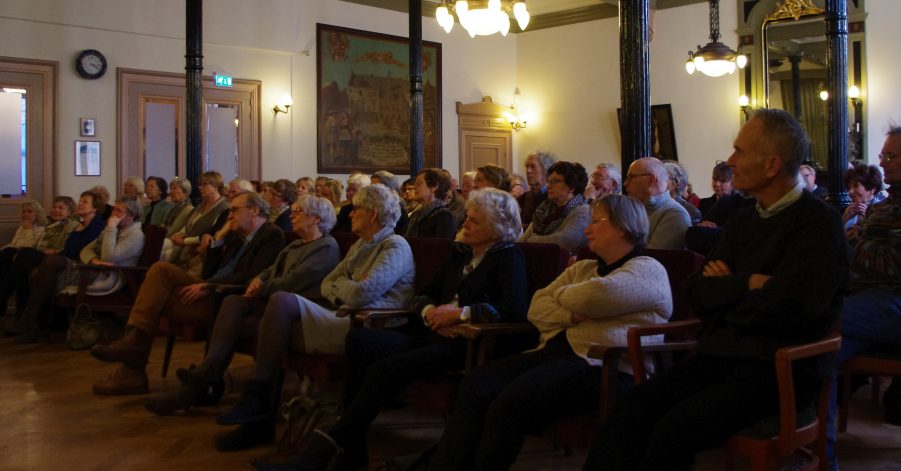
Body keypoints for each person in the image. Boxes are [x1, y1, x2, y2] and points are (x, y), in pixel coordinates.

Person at [585, 108, 850, 471]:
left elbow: (791, 312)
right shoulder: (744, 221)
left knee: (673, 428)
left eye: (740, 151)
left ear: (772, 165)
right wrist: (748, 284)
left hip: (774, 373)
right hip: (719, 358)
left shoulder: (819, 225)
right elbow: (697, 292)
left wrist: (726, 291)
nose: (730, 160)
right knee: (632, 407)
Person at [258, 188, 530, 471]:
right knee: (361, 340)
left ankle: (328, 448)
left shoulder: (509, 257)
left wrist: (461, 315)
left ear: (497, 229)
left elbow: (513, 308)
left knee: (382, 370)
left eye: (474, 221)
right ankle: (352, 448)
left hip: (466, 345)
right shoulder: (460, 253)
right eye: (468, 218)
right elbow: (422, 295)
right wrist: (430, 313)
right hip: (432, 332)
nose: (465, 225)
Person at [428, 194, 672, 471]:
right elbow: (537, 307)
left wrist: (565, 297)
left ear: (622, 227)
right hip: (557, 353)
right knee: (475, 383)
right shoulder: (584, 268)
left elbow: (593, 297)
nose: (587, 229)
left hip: (606, 367)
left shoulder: (648, 269)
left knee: (510, 400)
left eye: (596, 222)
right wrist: (571, 312)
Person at [214, 184, 415, 451]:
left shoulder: (395, 246)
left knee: (281, 304)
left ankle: (259, 411)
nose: (350, 214)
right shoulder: (360, 245)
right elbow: (328, 284)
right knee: (276, 307)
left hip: (367, 323)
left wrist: (344, 288)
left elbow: (359, 294)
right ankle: (258, 409)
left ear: (373, 215)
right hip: (342, 312)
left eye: (356, 210)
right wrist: (345, 287)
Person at [143, 195, 341, 423]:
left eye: (298, 212)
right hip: (271, 302)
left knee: (236, 323)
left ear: (316, 218)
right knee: (233, 303)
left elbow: (296, 279)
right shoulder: (295, 244)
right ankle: (204, 383)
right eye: (294, 211)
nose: (292, 216)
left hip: (296, 307)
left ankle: (202, 384)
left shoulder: (326, 246)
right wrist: (258, 280)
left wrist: (261, 287)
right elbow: (269, 270)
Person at [89, 191, 286, 395]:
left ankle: (132, 365)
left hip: (225, 299)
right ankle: (133, 351)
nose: (230, 215)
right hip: (210, 286)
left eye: (235, 209)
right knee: (160, 269)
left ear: (254, 211)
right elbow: (209, 272)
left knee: (152, 303)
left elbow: (252, 275)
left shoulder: (272, 234)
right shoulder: (236, 236)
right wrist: (218, 239)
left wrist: (208, 287)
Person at [826, 127, 901, 469]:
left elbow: (895, 266)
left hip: (893, 301)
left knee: (822, 322)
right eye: (883, 155)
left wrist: (854, 244)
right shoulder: (889, 205)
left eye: (891, 156)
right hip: (869, 294)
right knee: (821, 351)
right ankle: (817, 448)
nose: (883, 163)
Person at [15, 196, 146, 343]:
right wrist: (94, 259)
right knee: (36, 273)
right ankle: (36, 324)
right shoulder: (117, 228)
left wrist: (110, 228)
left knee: (47, 267)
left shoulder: (134, 235)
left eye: (119, 211)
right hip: (92, 268)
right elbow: (86, 250)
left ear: (131, 216)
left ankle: (32, 321)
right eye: (114, 209)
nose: (113, 214)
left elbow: (109, 256)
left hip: (105, 277)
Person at [3, 191, 105, 335]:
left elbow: (82, 252)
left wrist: (56, 254)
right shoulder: (79, 226)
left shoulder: (97, 226)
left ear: (94, 208)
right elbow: (68, 250)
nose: (80, 203)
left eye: (85, 202)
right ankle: (34, 322)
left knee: (34, 259)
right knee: (28, 262)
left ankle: (28, 318)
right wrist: (56, 253)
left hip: (82, 267)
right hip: (67, 261)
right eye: (80, 200)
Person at [0, 196, 77, 322]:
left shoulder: (70, 224)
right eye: (54, 207)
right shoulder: (50, 224)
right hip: (40, 254)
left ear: (69, 212)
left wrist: (55, 251)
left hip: (54, 258)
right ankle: (18, 312)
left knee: (24, 254)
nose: (56, 210)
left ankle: (6, 299)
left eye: (61, 208)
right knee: (14, 259)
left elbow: (66, 245)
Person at [519, 161, 590, 253]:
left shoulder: (583, 211)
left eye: (555, 182)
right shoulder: (545, 208)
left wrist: (533, 240)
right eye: (548, 181)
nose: (548, 186)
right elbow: (524, 238)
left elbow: (565, 241)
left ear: (571, 187)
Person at [623, 157, 691, 250]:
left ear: (651, 180)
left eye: (631, 178)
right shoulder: (632, 210)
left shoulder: (675, 214)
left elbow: (650, 259)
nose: (625, 183)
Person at [166, 171, 229, 267]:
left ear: (216, 186)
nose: (200, 187)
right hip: (185, 244)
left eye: (205, 184)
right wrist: (180, 233)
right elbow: (188, 224)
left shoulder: (223, 207)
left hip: (198, 250)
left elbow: (211, 234)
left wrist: (185, 241)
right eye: (200, 185)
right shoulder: (201, 205)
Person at [404, 168, 455, 239]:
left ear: (434, 186)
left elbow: (443, 247)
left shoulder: (443, 215)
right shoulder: (416, 214)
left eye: (419, 183)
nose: (414, 187)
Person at [840, 163, 885, 233]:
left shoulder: (882, 208)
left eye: (855, 186)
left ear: (872, 188)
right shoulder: (850, 209)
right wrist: (844, 219)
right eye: (849, 188)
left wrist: (869, 218)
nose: (850, 191)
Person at [517, 151, 556, 226]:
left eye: (533, 166)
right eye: (527, 167)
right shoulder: (523, 198)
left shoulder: (554, 198)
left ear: (546, 169)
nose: (528, 171)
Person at [663, 161, 702, 225]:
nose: (658, 181)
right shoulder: (653, 205)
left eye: (664, 178)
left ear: (678, 184)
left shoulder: (691, 212)